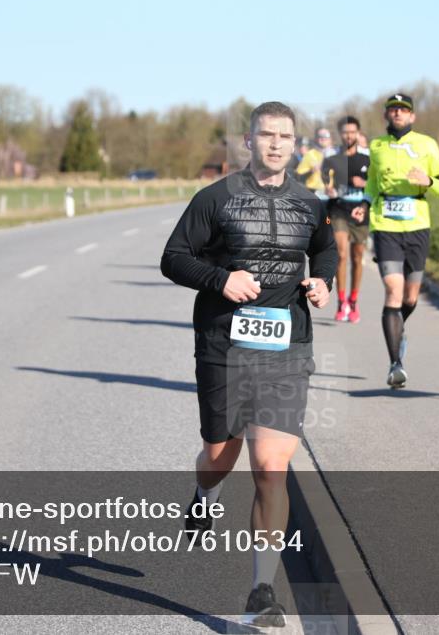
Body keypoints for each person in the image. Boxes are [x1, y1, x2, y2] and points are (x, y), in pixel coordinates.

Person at [161, 101, 336, 627]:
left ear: (295, 143)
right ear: (248, 140)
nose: (276, 143)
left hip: (286, 346)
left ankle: (262, 591)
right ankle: (203, 492)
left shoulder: (311, 204)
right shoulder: (214, 199)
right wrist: (221, 280)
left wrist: (323, 280)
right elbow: (174, 256)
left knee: (270, 467)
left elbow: (324, 250)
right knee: (221, 455)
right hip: (224, 345)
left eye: (285, 136)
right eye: (267, 135)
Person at [351, 94, 439, 388]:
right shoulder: (378, 146)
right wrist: (365, 203)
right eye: (393, 109)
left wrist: (429, 182)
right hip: (385, 225)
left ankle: (398, 330)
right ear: (386, 115)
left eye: (403, 110)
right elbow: (371, 183)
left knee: (409, 298)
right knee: (393, 292)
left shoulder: (427, 144)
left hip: (418, 224)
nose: (397, 113)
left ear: (412, 117)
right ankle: (396, 364)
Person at [321, 116, 370, 323]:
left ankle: (354, 300)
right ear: (340, 134)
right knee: (341, 254)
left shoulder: (367, 158)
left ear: (358, 134)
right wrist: (328, 186)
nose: (349, 135)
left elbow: (375, 183)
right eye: (345, 132)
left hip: (359, 210)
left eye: (352, 132)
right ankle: (341, 302)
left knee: (357, 257)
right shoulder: (332, 157)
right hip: (338, 209)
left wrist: (364, 184)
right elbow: (324, 175)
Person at [295, 127, 335, 200]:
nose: (323, 138)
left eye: (326, 136)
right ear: (316, 138)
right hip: (312, 194)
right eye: (320, 136)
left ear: (331, 139)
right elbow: (298, 177)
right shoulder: (309, 154)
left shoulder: (335, 155)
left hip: (331, 196)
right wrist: (311, 171)